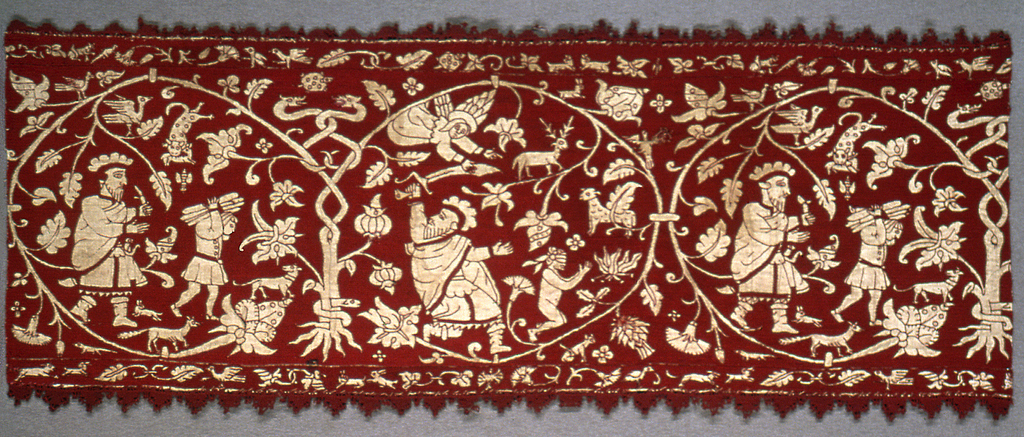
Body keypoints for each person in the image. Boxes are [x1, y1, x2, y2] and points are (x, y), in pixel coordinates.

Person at [406, 201, 513, 354]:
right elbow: (417, 228)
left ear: (452, 227)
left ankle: (495, 343)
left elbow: (472, 255)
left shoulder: (456, 243)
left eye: (442, 217)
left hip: (465, 286)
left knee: (492, 310)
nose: (433, 217)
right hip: (443, 291)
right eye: (438, 214)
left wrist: (492, 251)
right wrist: (416, 204)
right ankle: (429, 332)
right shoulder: (422, 243)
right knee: (452, 319)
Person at [728, 169, 813, 334]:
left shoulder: (780, 215)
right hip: (754, 259)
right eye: (781, 185)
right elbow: (761, 233)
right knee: (753, 291)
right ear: (764, 186)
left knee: (781, 289)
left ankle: (780, 322)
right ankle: (739, 314)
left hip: (773, 258)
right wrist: (788, 237)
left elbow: (783, 223)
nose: (787, 192)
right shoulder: (751, 209)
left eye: (787, 186)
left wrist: (801, 219)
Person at [70, 162, 151, 328]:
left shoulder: (119, 205)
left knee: (120, 283)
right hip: (96, 252)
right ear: (102, 181)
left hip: (116, 251)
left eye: (124, 177)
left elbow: (122, 214)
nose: (124, 182)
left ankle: (121, 316)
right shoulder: (90, 203)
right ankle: (80, 309)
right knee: (96, 282)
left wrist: (139, 211)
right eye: (118, 176)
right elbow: (101, 226)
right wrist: (127, 228)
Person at [171, 197, 240, 320]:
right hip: (200, 263)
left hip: (213, 265)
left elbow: (220, 234)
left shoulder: (218, 233)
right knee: (194, 290)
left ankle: (209, 314)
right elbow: (215, 232)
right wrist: (214, 210)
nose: (233, 229)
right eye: (231, 225)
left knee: (214, 291)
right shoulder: (203, 227)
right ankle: (176, 306)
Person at [832, 206, 903, 326]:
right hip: (863, 269)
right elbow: (880, 240)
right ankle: (836, 311)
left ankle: (872, 321)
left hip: (877, 271)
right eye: (895, 232)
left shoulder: (882, 235)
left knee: (876, 296)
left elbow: (884, 240)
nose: (897, 237)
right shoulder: (868, 231)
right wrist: (878, 218)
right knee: (856, 295)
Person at [525, 247, 591, 341]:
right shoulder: (547, 272)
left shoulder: (554, 272)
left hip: (550, 304)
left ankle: (541, 327)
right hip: (546, 304)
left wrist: (580, 273)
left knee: (562, 320)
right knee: (560, 321)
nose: (564, 264)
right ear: (554, 261)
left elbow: (566, 281)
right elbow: (566, 285)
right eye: (561, 261)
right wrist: (582, 274)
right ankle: (534, 331)